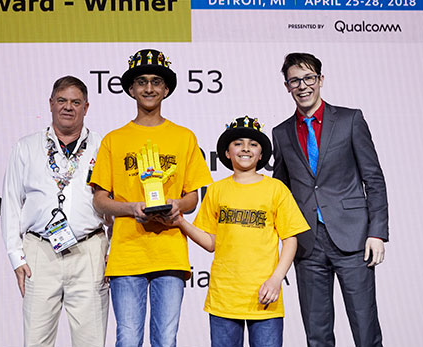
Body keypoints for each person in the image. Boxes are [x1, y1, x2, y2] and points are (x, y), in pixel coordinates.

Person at [90, 49, 213, 347]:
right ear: (131, 88)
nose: (149, 88)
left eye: (156, 81)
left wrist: (176, 206)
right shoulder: (113, 139)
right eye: (142, 81)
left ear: (166, 89)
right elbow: (100, 200)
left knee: (166, 340)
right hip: (127, 254)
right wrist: (132, 208)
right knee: (128, 339)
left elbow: (192, 198)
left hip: (169, 252)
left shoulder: (184, 137)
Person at [272, 52, 389, 347]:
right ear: (286, 86)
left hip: (354, 240)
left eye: (309, 78)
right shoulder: (281, 133)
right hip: (307, 243)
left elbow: (373, 179)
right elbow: (280, 193)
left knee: (365, 329)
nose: (303, 86)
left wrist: (377, 232)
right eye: (295, 80)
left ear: (321, 80)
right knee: (317, 333)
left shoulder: (350, 120)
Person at [172, 116, 309, 347]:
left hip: (265, 296)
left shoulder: (276, 189)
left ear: (261, 154)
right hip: (225, 296)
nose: (246, 148)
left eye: (253, 144)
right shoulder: (216, 190)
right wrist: (179, 222)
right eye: (238, 143)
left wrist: (276, 280)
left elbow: (290, 239)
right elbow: (210, 241)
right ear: (226, 153)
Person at [1, 76, 109, 347]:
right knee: (36, 341)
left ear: (87, 107)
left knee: (91, 342)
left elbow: (115, 202)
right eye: (62, 100)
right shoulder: (26, 147)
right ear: (50, 104)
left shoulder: (103, 146)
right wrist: (16, 256)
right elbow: (12, 202)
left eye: (76, 102)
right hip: (39, 252)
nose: (68, 107)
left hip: (90, 252)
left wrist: (113, 251)